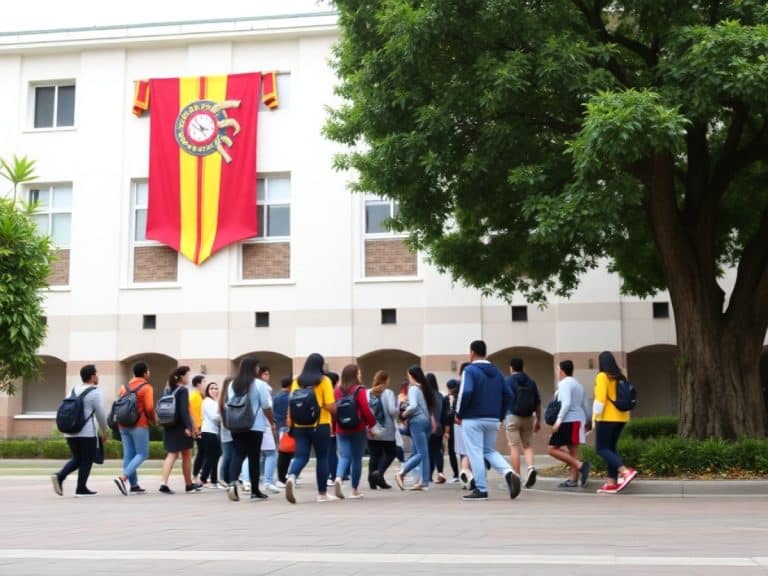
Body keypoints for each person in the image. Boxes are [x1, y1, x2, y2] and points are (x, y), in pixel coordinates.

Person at [456, 340, 521, 501]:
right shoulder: (497, 372)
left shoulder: (470, 370)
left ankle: (481, 489)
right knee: (489, 450)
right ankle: (509, 472)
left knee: (475, 452)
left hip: (472, 418)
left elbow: (466, 391)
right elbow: (509, 395)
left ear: (471, 353)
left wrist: (459, 412)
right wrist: (499, 415)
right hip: (493, 419)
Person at [285, 353, 337, 504]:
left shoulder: (296, 381)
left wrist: (290, 422)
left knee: (301, 456)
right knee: (322, 457)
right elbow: (330, 405)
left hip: (300, 425)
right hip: (320, 424)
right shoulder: (324, 380)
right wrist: (335, 410)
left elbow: (291, 404)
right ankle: (322, 494)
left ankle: (292, 476)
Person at [51, 364, 109, 497]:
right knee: (87, 459)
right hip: (86, 432)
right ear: (93, 376)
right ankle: (80, 488)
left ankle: (60, 477)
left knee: (77, 458)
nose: (98, 376)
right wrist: (104, 431)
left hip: (70, 431)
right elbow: (100, 414)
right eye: (97, 374)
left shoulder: (73, 389)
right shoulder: (95, 392)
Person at [226, 356, 275, 502]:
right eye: (257, 367)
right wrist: (272, 422)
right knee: (254, 456)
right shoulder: (259, 384)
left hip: (236, 424)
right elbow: (266, 405)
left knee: (238, 454)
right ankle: (255, 491)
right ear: (254, 368)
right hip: (255, 425)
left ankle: (232, 483)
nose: (259, 369)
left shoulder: (232, 384)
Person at [593, 351, 637, 494]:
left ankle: (625, 472)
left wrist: (594, 418)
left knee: (601, 448)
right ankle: (611, 482)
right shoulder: (620, 376)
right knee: (610, 448)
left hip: (606, 418)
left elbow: (600, 399)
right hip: (622, 418)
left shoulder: (602, 376)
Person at [332, 364, 376, 499]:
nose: (360, 375)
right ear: (354, 375)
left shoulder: (337, 391)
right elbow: (365, 409)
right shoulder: (359, 390)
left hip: (341, 428)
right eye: (359, 373)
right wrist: (372, 424)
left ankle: (338, 478)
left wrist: (334, 428)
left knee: (344, 456)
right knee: (356, 458)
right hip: (358, 428)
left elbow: (334, 412)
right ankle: (354, 490)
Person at [114, 361, 156, 496]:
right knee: (142, 454)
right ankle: (123, 477)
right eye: (148, 371)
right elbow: (149, 407)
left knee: (129, 454)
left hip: (123, 424)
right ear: (145, 373)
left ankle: (134, 485)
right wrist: (153, 420)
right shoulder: (147, 387)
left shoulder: (124, 387)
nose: (149, 373)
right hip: (139, 424)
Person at [547, 360, 590, 489]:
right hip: (578, 420)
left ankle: (581, 465)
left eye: (557, 369)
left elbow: (565, 403)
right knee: (573, 450)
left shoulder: (564, 383)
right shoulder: (578, 384)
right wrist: (588, 421)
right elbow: (585, 405)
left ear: (561, 370)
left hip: (567, 420)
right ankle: (573, 479)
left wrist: (558, 421)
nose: (556, 372)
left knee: (551, 449)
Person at [158, 366, 201, 494]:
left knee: (171, 454)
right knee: (187, 454)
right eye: (188, 375)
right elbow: (184, 411)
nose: (189, 378)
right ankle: (188, 484)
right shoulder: (182, 390)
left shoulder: (168, 389)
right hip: (180, 427)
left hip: (169, 425)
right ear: (182, 377)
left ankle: (163, 483)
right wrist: (189, 427)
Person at [394, 365, 437, 491]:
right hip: (426, 422)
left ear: (412, 376)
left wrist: (403, 414)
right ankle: (424, 483)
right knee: (424, 453)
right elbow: (429, 408)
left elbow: (413, 406)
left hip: (417, 422)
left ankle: (402, 472)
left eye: (408, 375)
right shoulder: (425, 388)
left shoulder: (413, 389)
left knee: (421, 453)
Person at [505, 357, 542, 488]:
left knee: (514, 446)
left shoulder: (508, 381)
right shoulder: (531, 382)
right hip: (528, 417)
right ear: (522, 367)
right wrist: (539, 419)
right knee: (527, 446)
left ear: (511, 368)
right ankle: (531, 468)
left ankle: (517, 476)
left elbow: (505, 399)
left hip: (512, 416)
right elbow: (538, 402)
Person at [367, 370, 398, 489]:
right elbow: (391, 410)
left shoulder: (368, 392)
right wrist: (398, 415)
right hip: (386, 430)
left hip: (372, 429)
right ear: (385, 380)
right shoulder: (388, 392)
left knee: (374, 454)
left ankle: (373, 481)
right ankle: (379, 473)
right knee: (391, 453)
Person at [199, 381, 222, 487]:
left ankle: (214, 480)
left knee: (215, 455)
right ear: (208, 391)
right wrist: (225, 418)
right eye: (212, 388)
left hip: (213, 432)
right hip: (208, 432)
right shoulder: (208, 402)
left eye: (216, 388)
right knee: (211, 456)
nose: (214, 390)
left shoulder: (214, 402)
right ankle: (203, 478)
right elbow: (214, 417)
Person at [426, 373, 448, 484]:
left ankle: (429, 475)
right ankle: (440, 473)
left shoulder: (426, 396)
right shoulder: (440, 395)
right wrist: (444, 429)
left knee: (429, 451)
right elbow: (444, 414)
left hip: (429, 427)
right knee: (438, 450)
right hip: (440, 427)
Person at [274, 376, 294, 487]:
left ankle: (282, 477)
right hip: (287, 426)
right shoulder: (289, 397)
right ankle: (282, 478)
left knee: (282, 452)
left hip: (279, 426)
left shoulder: (276, 396)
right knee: (286, 454)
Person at [217, 376, 234, 488]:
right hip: (227, 430)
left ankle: (228, 478)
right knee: (227, 455)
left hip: (229, 430)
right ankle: (222, 478)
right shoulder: (225, 400)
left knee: (230, 455)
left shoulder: (225, 399)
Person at [190, 374, 205, 484]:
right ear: (198, 384)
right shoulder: (194, 396)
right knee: (201, 452)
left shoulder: (199, 396)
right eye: (204, 382)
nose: (205, 384)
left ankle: (197, 475)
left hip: (200, 427)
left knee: (202, 452)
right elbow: (194, 414)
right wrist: (197, 429)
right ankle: (195, 476)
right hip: (198, 428)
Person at [444, 378, 460, 483]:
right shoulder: (458, 397)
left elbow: (448, 416)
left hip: (454, 427)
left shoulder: (454, 399)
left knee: (452, 451)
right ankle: (459, 473)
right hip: (459, 427)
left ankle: (457, 474)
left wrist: (446, 431)